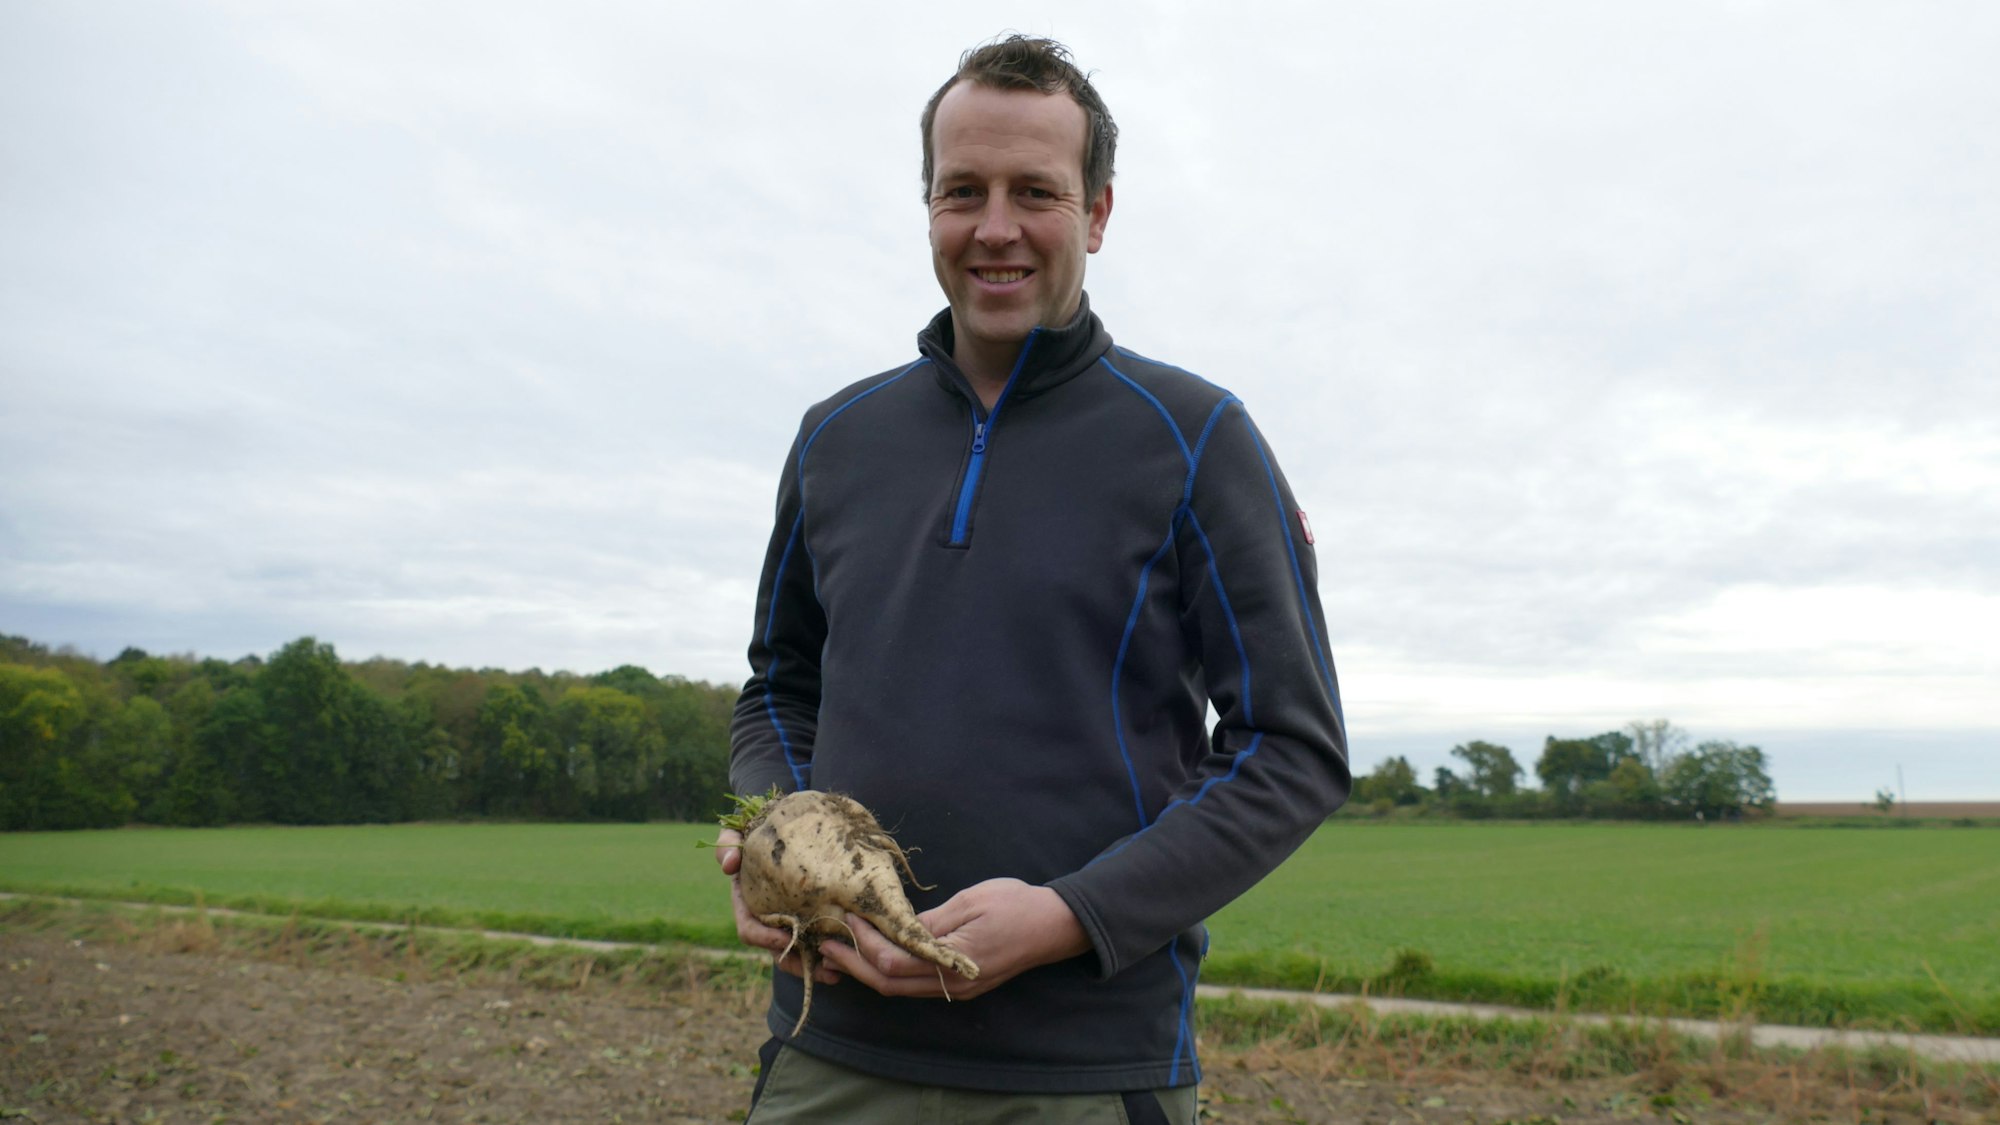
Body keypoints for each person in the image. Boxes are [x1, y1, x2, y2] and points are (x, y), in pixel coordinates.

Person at [716, 34, 1349, 1124]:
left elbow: (1291, 748)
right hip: (830, 1048)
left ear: (1096, 214)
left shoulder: (1197, 437)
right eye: (962, 190)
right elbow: (780, 686)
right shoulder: (835, 437)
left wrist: (1070, 914)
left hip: (1085, 1069)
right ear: (928, 206)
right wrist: (778, 834)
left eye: (1035, 192)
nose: (994, 227)